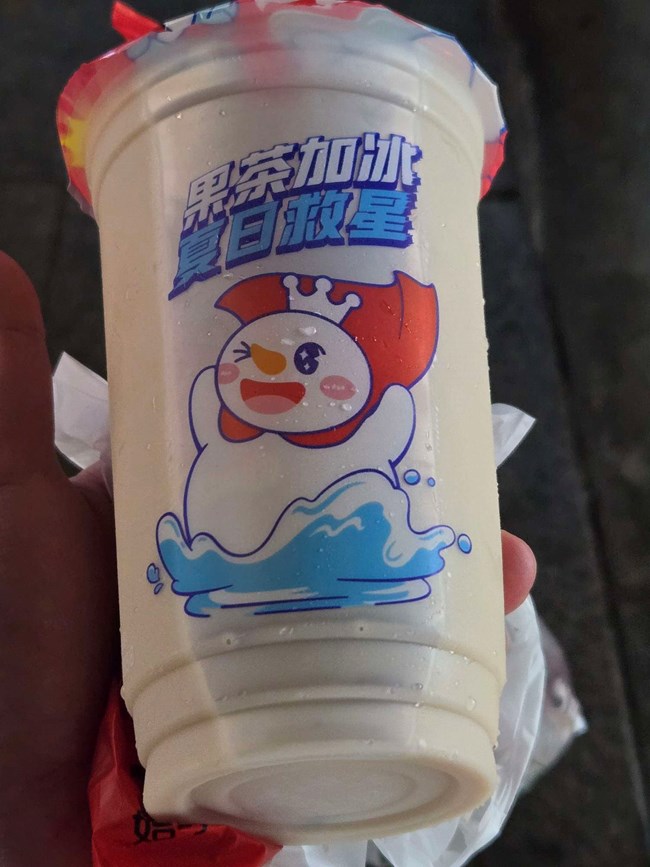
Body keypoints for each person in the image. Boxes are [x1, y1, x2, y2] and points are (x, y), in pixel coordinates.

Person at [0, 251, 537, 867]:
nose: (273, 371)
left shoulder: (368, 431)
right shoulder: (219, 422)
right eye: (256, 355)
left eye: (302, 359)